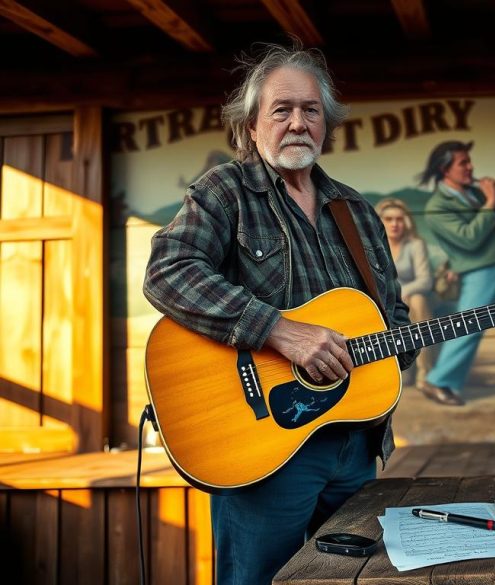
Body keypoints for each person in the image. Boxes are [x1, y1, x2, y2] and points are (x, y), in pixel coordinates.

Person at [142, 43, 415, 585]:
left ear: (327, 124)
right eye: (282, 110)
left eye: (311, 110)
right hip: (264, 447)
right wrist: (278, 331)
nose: (298, 123)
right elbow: (167, 271)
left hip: (354, 443)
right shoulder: (226, 193)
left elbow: (394, 315)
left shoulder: (357, 211)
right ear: (250, 125)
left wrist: (403, 343)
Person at [416, 140, 495, 405]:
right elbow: (468, 239)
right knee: (470, 323)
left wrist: (488, 202)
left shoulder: (472, 194)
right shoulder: (437, 207)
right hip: (480, 269)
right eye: (463, 162)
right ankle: (438, 381)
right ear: (445, 169)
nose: (470, 167)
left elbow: (494, 226)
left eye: (469, 161)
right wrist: (491, 202)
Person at [375, 197, 436, 388]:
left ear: (406, 222)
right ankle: (400, 372)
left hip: (412, 297)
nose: (394, 224)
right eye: (389, 219)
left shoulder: (415, 245)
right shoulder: (373, 245)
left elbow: (425, 280)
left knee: (417, 301)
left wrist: (401, 292)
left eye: (399, 219)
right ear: (380, 221)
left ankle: (425, 374)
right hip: (384, 300)